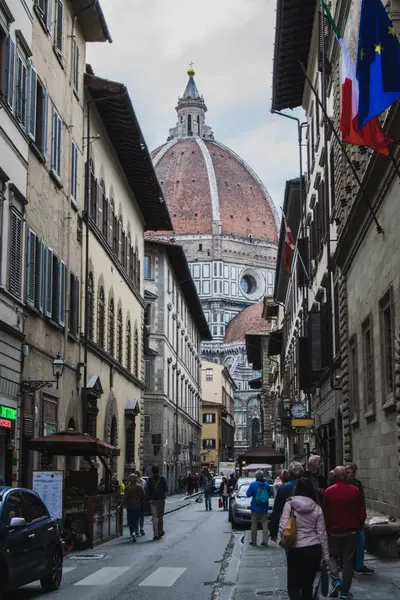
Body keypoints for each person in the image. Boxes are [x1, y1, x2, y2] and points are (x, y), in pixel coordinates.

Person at [279, 478, 329, 600]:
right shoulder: (317, 508)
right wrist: (326, 556)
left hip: (296, 549)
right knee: (308, 585)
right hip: (313, 549)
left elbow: (283, 527)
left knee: (293, 585)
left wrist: (286, 539)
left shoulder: (289, 505)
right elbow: (322, 534)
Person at [323, 466, 366, 599]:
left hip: (334, 532)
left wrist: (328, 529)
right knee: (348, 562)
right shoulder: (355, 491)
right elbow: (362, 513)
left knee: (333, 558)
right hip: (351, 532)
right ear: (345, 476)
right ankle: (345, 591)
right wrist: (357, 528)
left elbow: (325, 514)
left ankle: (336, 581)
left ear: (334, 477)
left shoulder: (328, 492)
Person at [346, 463, 374, 575]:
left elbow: (362, 501)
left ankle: (359, 564)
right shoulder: (343, 484)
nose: (351, 474)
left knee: (360, 542)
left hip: (358, 517)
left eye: (353, 472)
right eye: (348, 472)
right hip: (347, 518)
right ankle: (348, 564)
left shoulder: (358, 484)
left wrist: (362, 515)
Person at [269, 462, 304, 542]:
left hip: (290, 527)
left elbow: (277, 510)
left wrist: (273, 531)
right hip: (308, 527)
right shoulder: (310, 486)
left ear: (290, 474)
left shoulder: (284, 488)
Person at [246, 470, 271, 546]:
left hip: (255, 507)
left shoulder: (253, 484)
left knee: (254, 525)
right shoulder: (266, 485)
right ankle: (265, 541)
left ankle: (254, 541)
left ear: (256, 477)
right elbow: (269, 494)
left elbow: (248, 494)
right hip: (264, 507)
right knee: (265, 525)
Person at [146, 465, 168, 541]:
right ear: (159, 470)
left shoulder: (149, 479)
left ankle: (155, 534)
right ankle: (160, 531)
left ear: (152, 471)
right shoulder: (162, 479)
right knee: (160, 516)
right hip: (161, 499)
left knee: (154, 517)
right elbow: (166, 489)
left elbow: (147, 489)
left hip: (152, 500)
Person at [123, 474, 145, 542]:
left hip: (129, 505)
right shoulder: (139, 487)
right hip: (137, 505)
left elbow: (125, 497)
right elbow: (143, 496)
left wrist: (124, 504)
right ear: (136, 479)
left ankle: (132, 532)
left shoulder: (127, 487)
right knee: (136, 519)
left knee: (130, 519)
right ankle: (135, 531)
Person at [135, 470, 146, 536]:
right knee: (141, 515)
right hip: (141, 500)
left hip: (135, 500)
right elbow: (145, 491)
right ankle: (141, 528)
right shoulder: (143, 481)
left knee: (136, 516)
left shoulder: (132, 482)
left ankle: (136, 529)